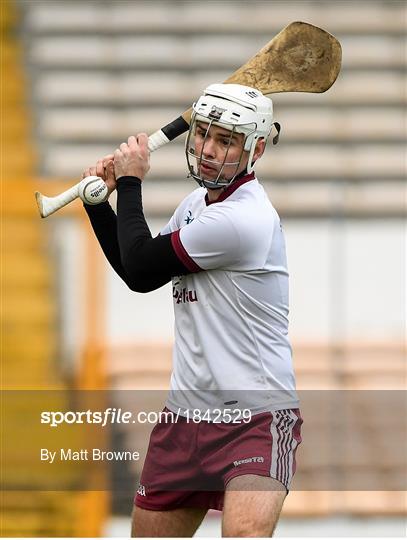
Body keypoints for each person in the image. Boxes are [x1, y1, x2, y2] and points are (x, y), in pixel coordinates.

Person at [82, 83, 302, 537]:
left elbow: (142, 266)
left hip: (254, 419)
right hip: (184, 420)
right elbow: (135, 271)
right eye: (203, 134)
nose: (207, 150)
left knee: (243, 535)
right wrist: (99, 204)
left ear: (256, 148)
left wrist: (130, 181)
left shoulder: (243, 219)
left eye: (226, 141)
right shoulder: (194, 208)